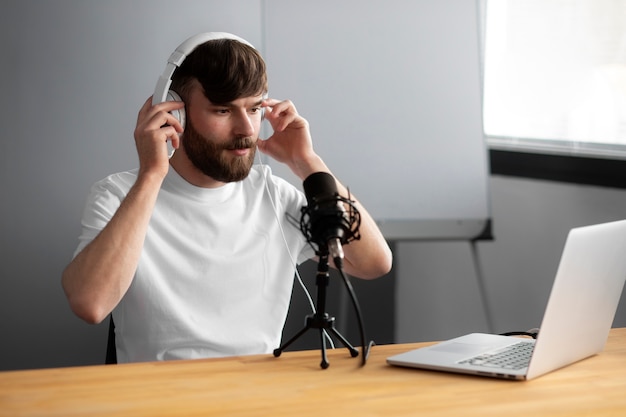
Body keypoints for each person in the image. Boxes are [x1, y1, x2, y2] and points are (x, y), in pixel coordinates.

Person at [61, 32, 393, 363]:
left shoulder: (274, 196)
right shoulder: (119, 195)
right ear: (176, 114)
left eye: (253, 108)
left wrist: (307, 162)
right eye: (223, 111)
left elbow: (374, 262)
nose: (247, 129)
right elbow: (90, 304)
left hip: (253, 400)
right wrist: (151, 175)